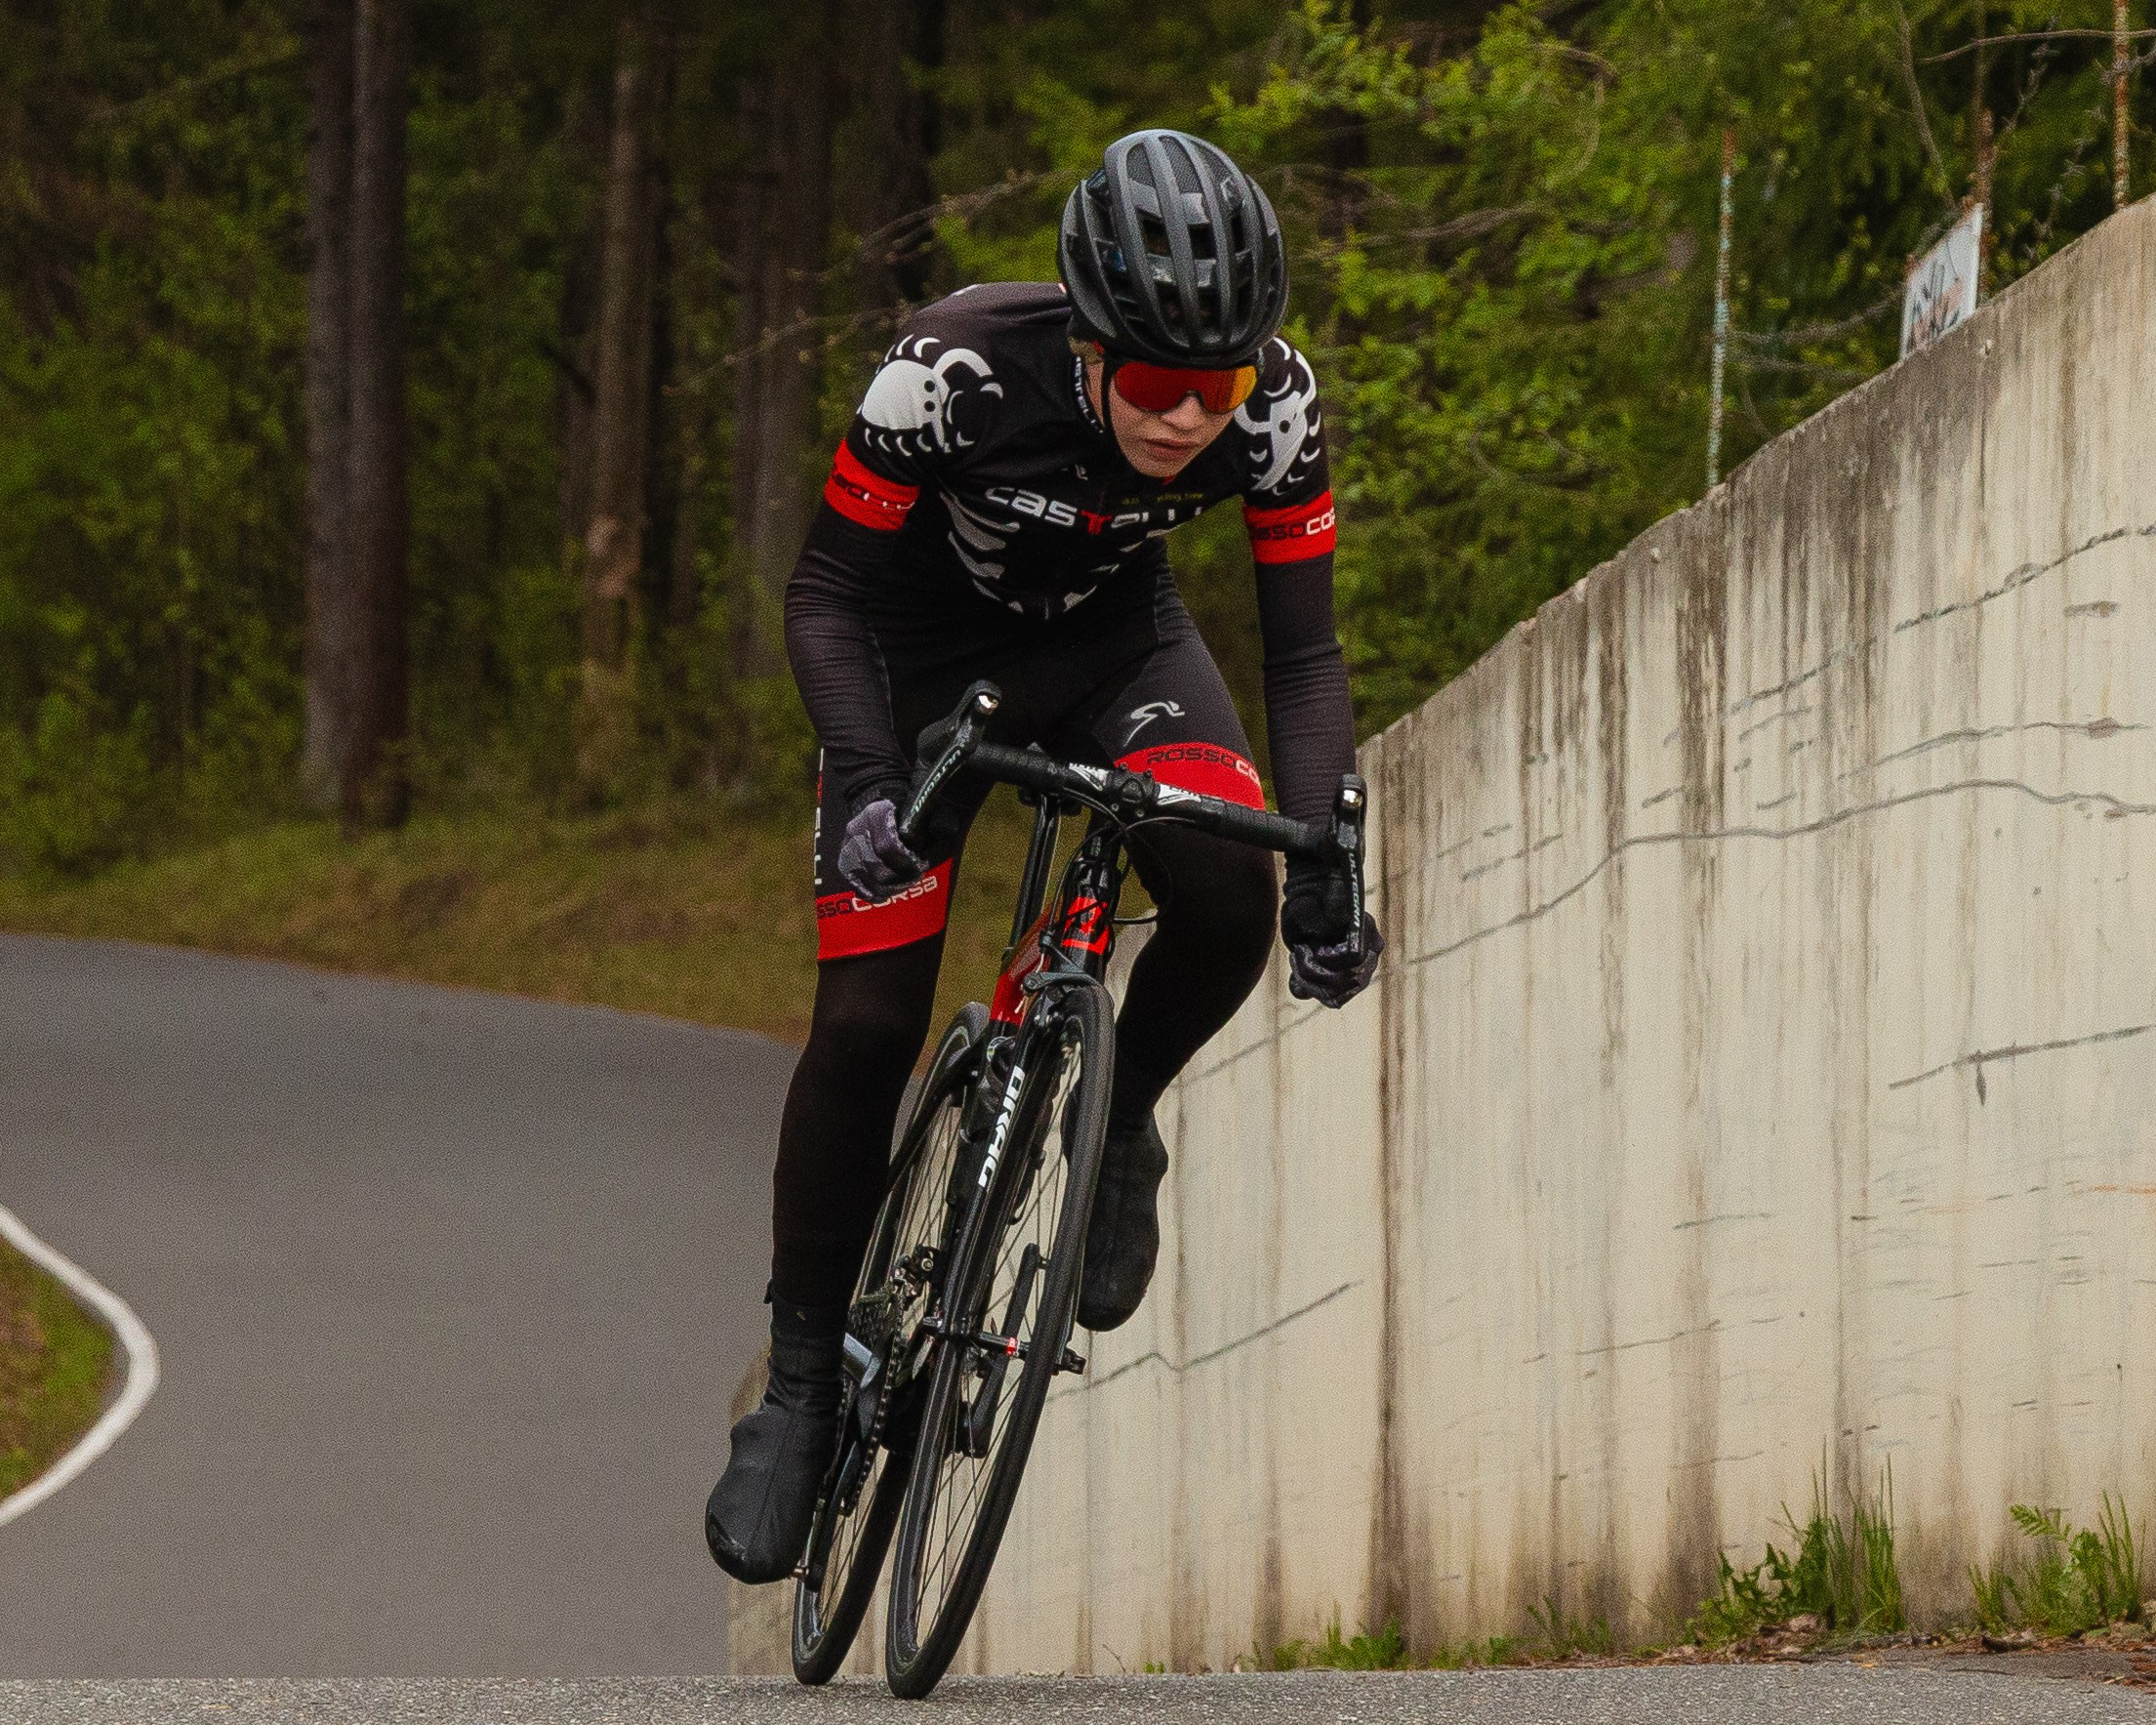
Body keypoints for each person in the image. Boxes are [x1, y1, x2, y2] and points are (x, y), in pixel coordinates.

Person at [706, 128, 1382, 1583]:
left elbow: (1303, 655)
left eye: (1213, 387)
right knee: (869, 1018)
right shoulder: (946, 374)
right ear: (1084, 348)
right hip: (908, 667)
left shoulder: (1274, 408)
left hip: (1111, 645)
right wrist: (874, 779)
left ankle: (1116, 1118)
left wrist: (1332, 851)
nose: (1184, 421)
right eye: (1150, 385)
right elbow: (822, 594)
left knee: (1227, 890)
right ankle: (805, 1379)